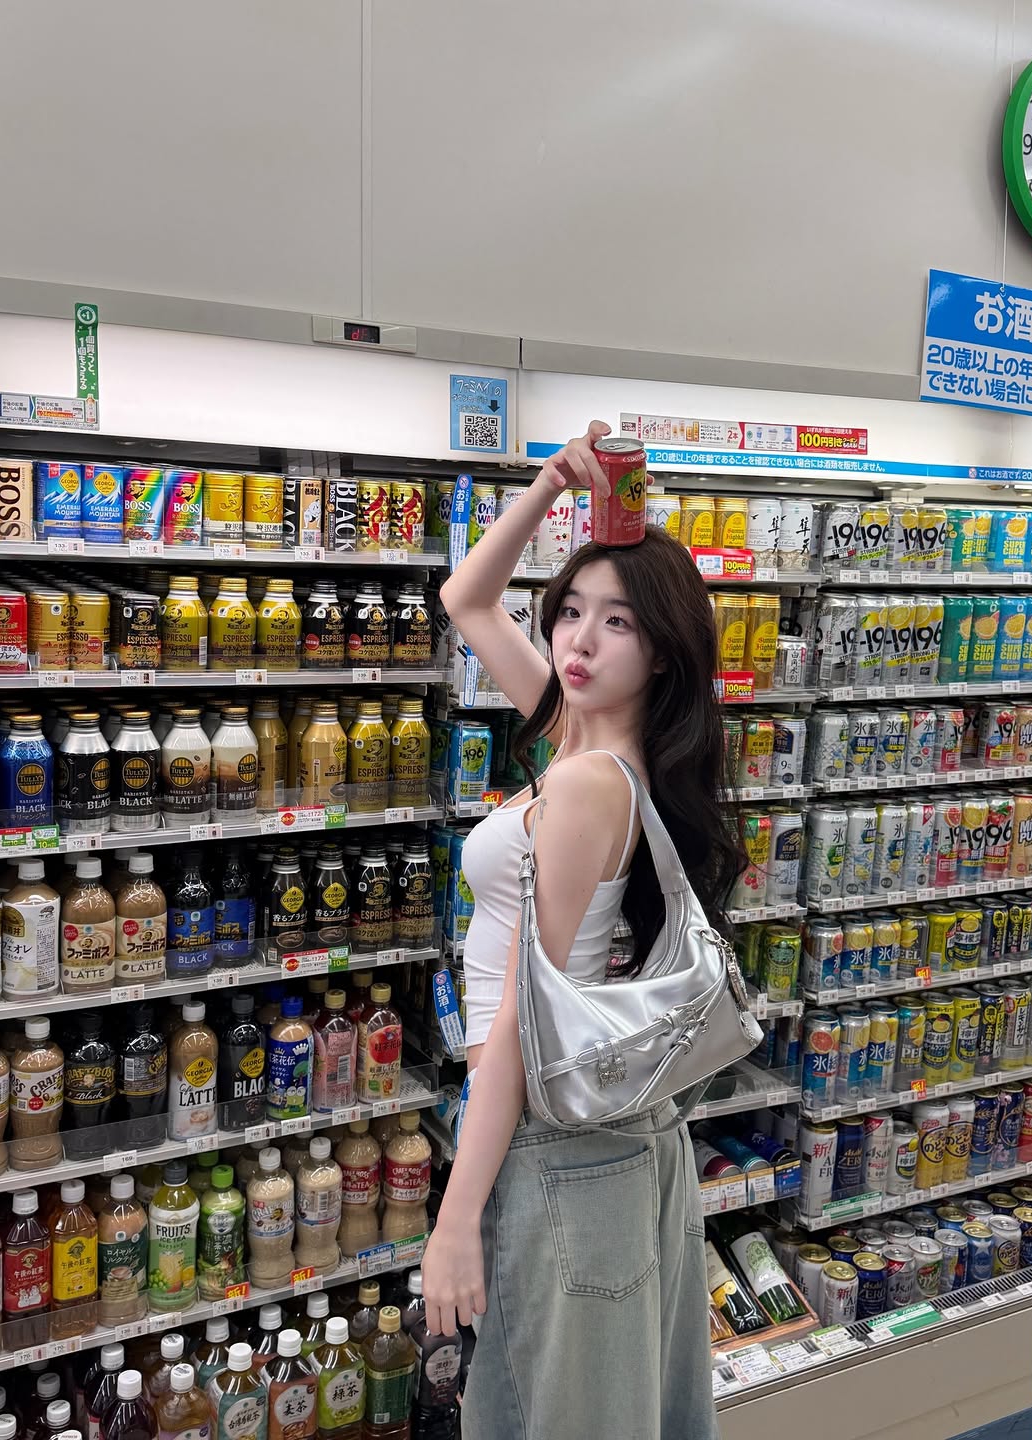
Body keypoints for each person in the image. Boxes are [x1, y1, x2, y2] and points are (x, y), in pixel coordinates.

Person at [420, 420, 742, 1438]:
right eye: (569, 613)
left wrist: (456, 1218)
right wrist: (551, 485)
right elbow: (467, 600)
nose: (579, 641)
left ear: (665, 651)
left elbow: (523, 1020)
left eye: (618, 623)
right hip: (615, 1143)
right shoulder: (584, 744)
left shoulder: (587, 785)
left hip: (550, 1144)